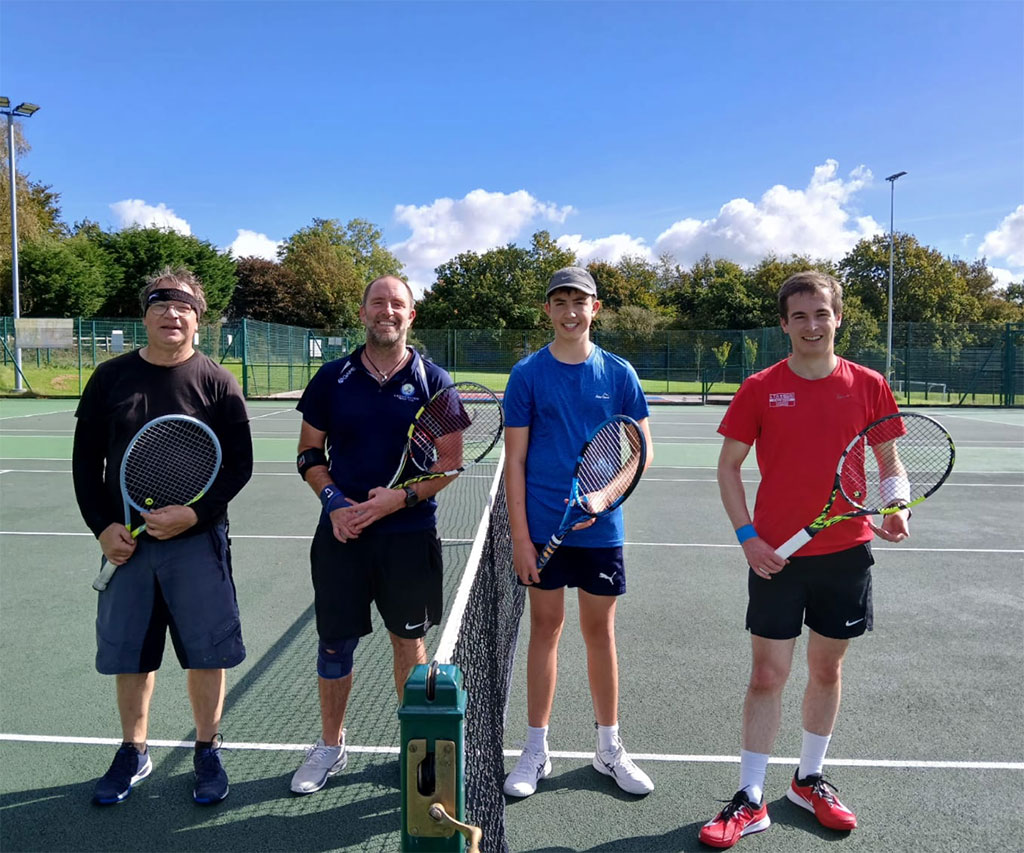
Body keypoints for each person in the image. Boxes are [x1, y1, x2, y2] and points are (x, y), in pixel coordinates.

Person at [699, 271, 910, 848]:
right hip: (775, 558)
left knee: (827, 670)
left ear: (838, 317)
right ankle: (749, 796)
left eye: (821, 314)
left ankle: (808, 780)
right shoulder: (760, 387)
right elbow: (728, 467)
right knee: (767, 675)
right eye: (799, 316)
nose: (811, 326)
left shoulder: (868, 384)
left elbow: (890, 462)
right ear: (785, 324)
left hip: (846, 552)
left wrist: (897, 506)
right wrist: (747, 536)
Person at [73, 266, 254, 806]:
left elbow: (237, 467)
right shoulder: (109, 378)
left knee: (206, 655)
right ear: (145, 316)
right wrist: (104, 527)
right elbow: (86, 464)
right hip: (127, 549)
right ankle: (134, 749)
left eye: (183, 307)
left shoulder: (217, 382)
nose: (171, 315)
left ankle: (207, 748)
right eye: (160, 305)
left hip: (197, 546)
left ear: (198, 319)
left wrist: (194, 516)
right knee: (132, 656)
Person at [290, 275, 456, 795]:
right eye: (377, 302)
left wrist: (399, 498)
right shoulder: (331, 378)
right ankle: (331, 745)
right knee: (335, 644)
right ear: (362, 313)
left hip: (408, 536)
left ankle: (413, 748)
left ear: (411, 316)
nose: (387, 310)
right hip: (341, 536)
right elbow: (308, 455)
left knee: (409, 641)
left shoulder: (436, 380)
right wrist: (335, 503)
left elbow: (450, 465)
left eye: (397, 304)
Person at [502, 266, 655, 799]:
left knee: (599, 633)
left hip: (601, 532)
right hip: (543, 529)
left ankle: (608, 748)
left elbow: (638, 449)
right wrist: (521, 539)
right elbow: (514, 461)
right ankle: (535, 750)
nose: (570, 311)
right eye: (560, 301)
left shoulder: (618, 374)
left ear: (596, 308)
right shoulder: (526, 375)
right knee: (545, 629)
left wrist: (605, 496)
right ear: (547, 310)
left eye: (580, 301)